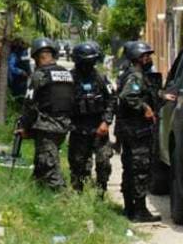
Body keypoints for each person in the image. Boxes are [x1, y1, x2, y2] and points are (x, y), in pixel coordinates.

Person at [17, 37, 74, 190]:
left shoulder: (40, 75)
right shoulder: (66, 73)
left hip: (46, 126)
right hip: (63, 125)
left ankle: (63, 197)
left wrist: (24, 127)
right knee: (41, 163)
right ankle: (37, 192)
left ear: (37, 57)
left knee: (49, 166)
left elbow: (30, 104)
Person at [115, 41, 161, 223]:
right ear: (137, 58)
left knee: (130, 168)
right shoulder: (135, 75)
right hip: (137, 130)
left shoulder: (134, 74)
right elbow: (128, 96)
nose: (149, 59)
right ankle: (140, 211)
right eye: (145, 56)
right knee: (140, 169)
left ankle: (130, 209)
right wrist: (145, 108)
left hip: (130, 130)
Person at [68, 41, 114, 195]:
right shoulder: (70, 79)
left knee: (103, 162)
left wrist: (106, 122)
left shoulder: (100, 78)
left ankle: (101, 193)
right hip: (78, 129)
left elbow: (111, 100)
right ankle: (78, 196)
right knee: (78, 165)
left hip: (99, 128)